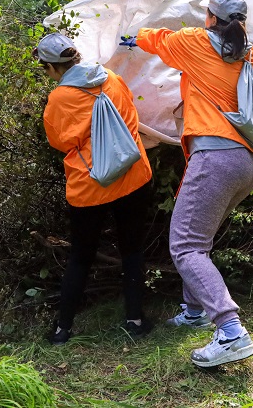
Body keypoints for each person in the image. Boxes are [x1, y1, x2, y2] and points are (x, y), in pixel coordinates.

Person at [120, 0, 253, 368]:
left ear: (211, 18)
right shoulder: (249, 53)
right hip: (246, 163)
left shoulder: (196, 41)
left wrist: (132, 37)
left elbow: (158, 40)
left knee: (185, 247)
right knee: (200, 240)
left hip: (216, 157)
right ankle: (195, 311)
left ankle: (231, 331)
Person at [34, 32, 154, 345]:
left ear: (52, 68)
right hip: (133, 175)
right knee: (132, 249)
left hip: (90, 186)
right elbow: (131, 113)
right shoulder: (111, 78)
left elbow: (59, 141)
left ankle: (62, 330)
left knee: (80, 257)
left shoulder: (60, 98)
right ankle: (135, 320)